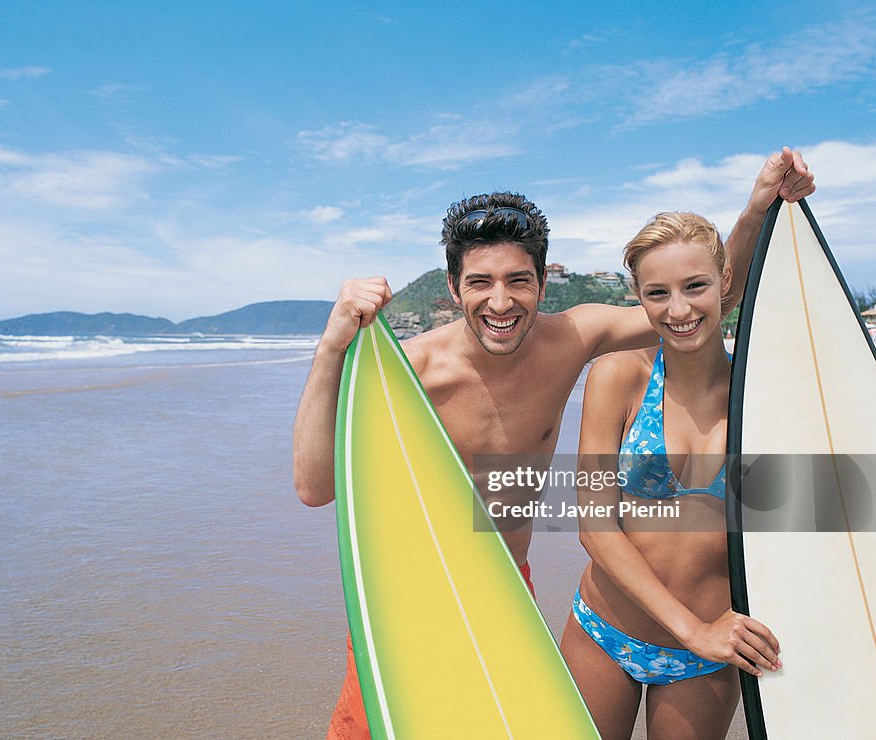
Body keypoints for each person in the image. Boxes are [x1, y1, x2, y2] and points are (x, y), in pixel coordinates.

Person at [293, 149, 814, 740]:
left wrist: (755, 208)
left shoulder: (573, 339)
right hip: (413, 593)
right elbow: (314, 487)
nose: (500, 302)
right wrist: (332, 347)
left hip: (508, 588)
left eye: (518, 281)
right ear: (452, 287)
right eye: (479, 283)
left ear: (543, 282)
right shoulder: (411, 372)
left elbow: (700, 302)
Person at [559, 212, 782, 740]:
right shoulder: (619, 376)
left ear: (724, 283)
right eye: (657, 293)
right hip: (605, 632)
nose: (678, 309)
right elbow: (595, 526)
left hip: (707, 657)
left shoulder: (761, 395)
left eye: (695, 286)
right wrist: (693, 628)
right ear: (639, 297)